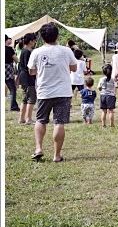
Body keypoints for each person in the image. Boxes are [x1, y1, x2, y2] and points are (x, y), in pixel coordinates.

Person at [27, 23, 78, 162]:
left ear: (42, 36)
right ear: (57, 36)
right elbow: (74, 68)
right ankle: (57, 155)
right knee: (59, 123)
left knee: (40, 120)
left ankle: (38, 148)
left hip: (44, 91)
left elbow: (31, 71)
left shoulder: (36, 52)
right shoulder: (66, 51)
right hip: (63, 92)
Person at [18, 33, 37, 124]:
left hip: (23, 77)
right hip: (28, 78)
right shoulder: (27, 52)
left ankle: (21, 118)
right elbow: (29, 66)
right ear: (30, 41)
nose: (35, 42)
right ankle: (28, 118)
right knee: (31, 99)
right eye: (34, 40)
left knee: (25, 99)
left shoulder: (23, 50)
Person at [98, 64, 117, 128]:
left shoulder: (101, 79)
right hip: (110, 96)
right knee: (111, 111)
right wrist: (116, 79)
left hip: (103, 95)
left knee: (104, 111)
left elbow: (99, 88)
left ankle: (103, 125)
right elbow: (116, 86)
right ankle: (112, 125)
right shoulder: (113, 79)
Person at [5, 35, 20, 112]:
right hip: (7, 69)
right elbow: (16, 60)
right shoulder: (9, 49)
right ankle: (13, 106)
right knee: (12, 88)